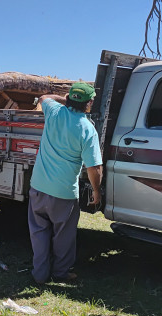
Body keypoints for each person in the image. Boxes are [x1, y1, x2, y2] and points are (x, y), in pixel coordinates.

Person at [28, 82, 103, 284]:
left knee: (39, 233)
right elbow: (94, 168)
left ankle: (40, 274)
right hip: (64, 193)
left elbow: (44, 98)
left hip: (38, 187)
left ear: (69, 98)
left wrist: (65, 100)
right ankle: (60, 273)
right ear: (89, 103)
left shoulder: (54, 112)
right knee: (63, 236)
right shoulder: (87, 129)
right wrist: (96, 191)